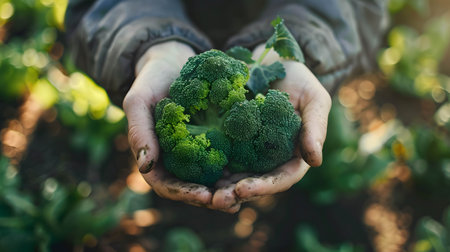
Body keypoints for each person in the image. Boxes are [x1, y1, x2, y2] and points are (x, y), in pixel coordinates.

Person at [65, 0, 388, 213]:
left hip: (292, 31)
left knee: (309, 137)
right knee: (176, 177)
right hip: (166, 31)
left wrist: (300, 43)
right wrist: (150, 46)